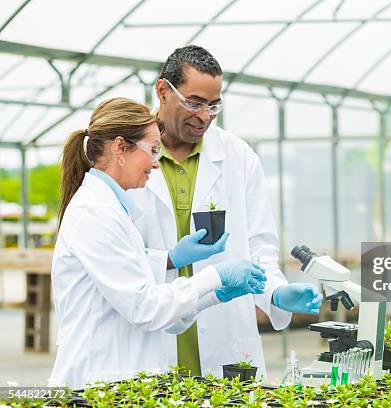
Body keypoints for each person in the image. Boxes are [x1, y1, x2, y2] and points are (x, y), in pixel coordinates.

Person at [128, 46, 323, 379]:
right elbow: (117, 255)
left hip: (224, 336)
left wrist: (276, 291)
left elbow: (259, 249)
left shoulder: (239, 158)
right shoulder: (127, 155)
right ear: (162, 91)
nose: (204, 116)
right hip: (150, 335)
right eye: (194, 102)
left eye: (213, 105)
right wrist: (169, 259)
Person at [49, 98, 267, 389]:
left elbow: (162, 313)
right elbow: (145, 308)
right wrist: (214, 275)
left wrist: (214, 295)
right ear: (119, 148)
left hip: (117, 382)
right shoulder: (94, 212)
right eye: (152, 150)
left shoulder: (111, 208)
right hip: (95, 383)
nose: (155, 162)